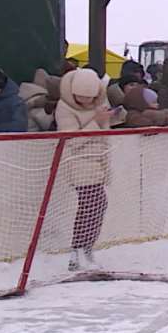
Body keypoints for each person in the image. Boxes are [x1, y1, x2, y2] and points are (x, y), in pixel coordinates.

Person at [55, 68, 120, 271]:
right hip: (77, 160)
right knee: (92, 204)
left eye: (89, 98)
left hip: (99, 158)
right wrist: (97, 122)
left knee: (97, 205)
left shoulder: (100, 101)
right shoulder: (63, 107)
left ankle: (85, 249)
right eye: (80, 98)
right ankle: (78, 250)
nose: (85, 102)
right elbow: (71, 139)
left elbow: (106, 126)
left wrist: (112, 116)